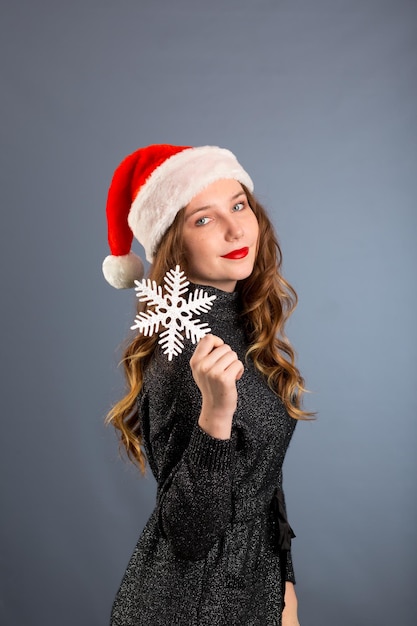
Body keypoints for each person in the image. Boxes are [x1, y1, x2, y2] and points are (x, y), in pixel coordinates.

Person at [103, 144, 311, 626]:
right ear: (173, 244)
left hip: (253, 596)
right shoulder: (183, 355)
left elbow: (261, 476)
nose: (236, 229)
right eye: (203, 219)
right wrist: (215, 416)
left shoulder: (237, 323)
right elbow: (190, 532)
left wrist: (284, 587)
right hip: (191, 609)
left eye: (239, 205)